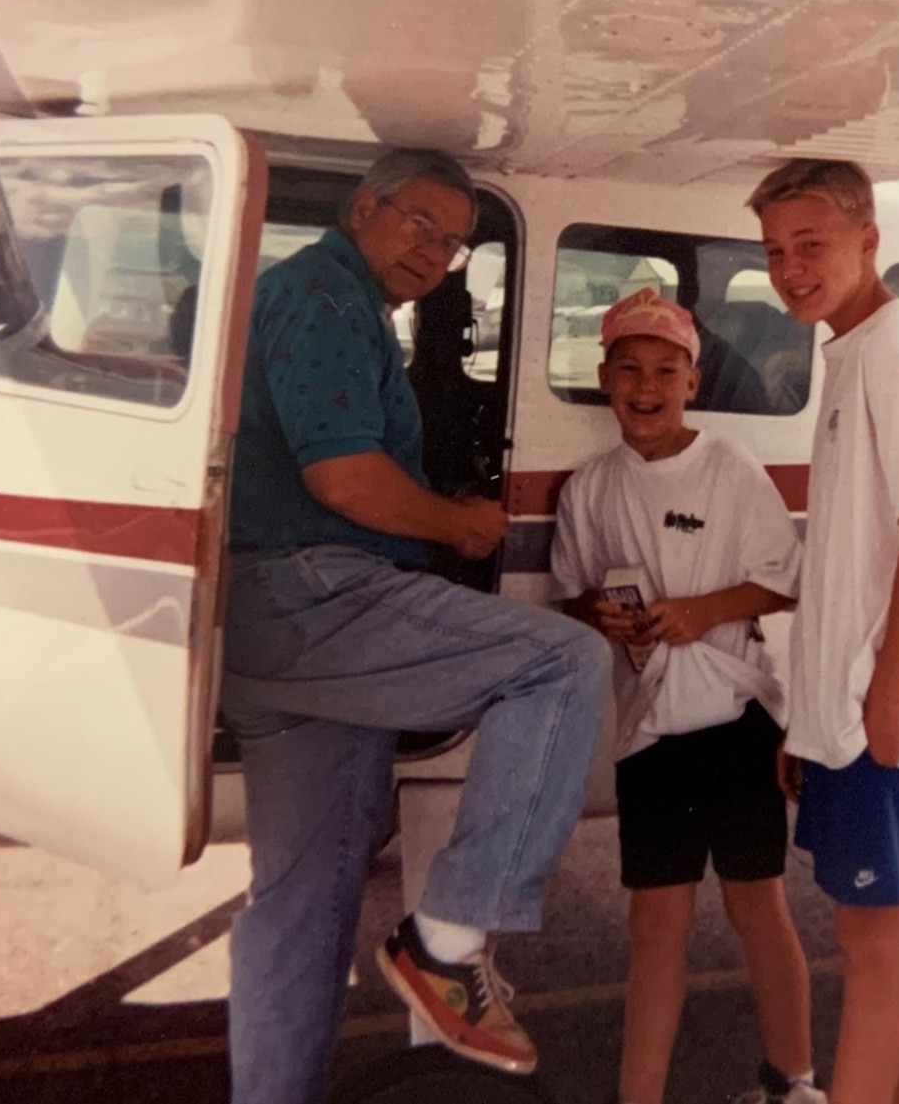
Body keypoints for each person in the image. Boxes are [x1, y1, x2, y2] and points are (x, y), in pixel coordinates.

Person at [220, 148, 610, 1104]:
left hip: (275, 638)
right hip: (316, 600)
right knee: (564, 665)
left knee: (303, 908)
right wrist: (458, 522)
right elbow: (343, 479)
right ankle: (447, 943)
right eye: (419, 225)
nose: (436, 253)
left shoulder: (334, 300)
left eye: (455, 243)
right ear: (364, 208)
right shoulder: (324, 299)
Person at [550, 289, 823, 1104]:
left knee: (758, 909)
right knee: (655, 931)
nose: (646, 386)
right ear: (604, 378)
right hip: (651, 737)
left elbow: (783, 583)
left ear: (692, 382)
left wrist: (701, 611)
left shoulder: (729, 468)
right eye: (629, 369)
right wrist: (597, 614)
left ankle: (795, 1084)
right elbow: (571, 593)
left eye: (665, 370)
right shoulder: (589, 486)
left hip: (739, 722)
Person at [747, 159, 899, 1104]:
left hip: (873, 707)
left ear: (868, 240)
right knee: (890, 931)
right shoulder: (855, 347)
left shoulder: (895, 345)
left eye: (813, 245)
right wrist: (813, 716)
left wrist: (883, 696)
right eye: (775, 252)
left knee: (870, 943)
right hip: (844, 708)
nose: (792, 268)